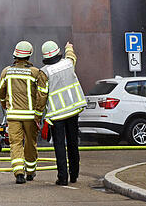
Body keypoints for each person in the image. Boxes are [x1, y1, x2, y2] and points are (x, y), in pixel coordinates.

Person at [0, 40, 48, 184]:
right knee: (30, 143)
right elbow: (42, 94)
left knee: (15, 143)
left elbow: (0, 91)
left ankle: (19, 172)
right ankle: (30, 171)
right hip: (30, 116)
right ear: (29, 55)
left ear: (15, 55)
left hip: (13, 115)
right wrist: (39, 112)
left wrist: (5, 105)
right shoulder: (36, 72)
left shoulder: (6, 71)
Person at [41, 41, 87, 186]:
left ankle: (62, 178)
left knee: (59, 145)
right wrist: (69, 47)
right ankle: (74, 174)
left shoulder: (44, 72)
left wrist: (38, 116)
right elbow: (71, 56)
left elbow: (41, 96)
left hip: (56, 115)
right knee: (73, 142)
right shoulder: (68, 63)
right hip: (73, 111)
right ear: (58, 52)